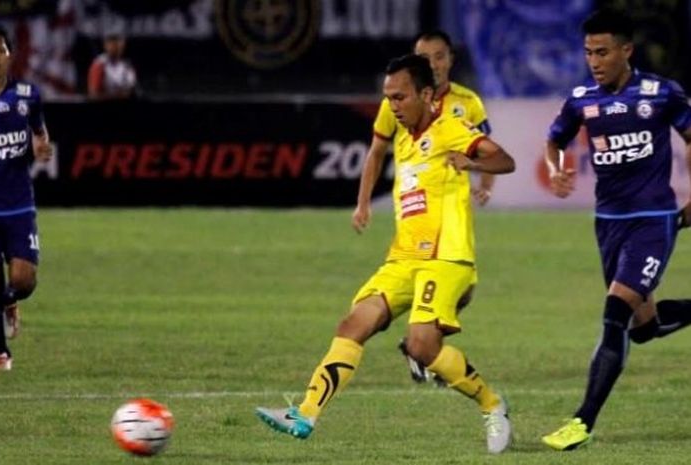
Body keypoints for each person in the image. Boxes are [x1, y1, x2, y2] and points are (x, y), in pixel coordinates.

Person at [255, 54, 516, 454]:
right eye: (388, 97)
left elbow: (504, 159)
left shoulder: (449, 128)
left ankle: (493, 405)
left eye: (400, 97)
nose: (392, 105)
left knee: (422, 346)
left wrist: (469, 161)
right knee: (352, 324)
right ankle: (305, 413)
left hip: (445, 257)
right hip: (403, 258)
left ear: (426, 94)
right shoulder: (402, 134)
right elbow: (378, 156)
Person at [541, 9, 691, 451]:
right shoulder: (582, 100)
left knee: (615, 314)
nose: (594, 60)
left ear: (627, 50)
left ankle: (582, 421)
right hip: (607, 224)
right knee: (642, 327)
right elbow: (554, 140)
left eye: (602, 51)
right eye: (588, 52)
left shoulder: (661, 93)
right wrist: (555, 170)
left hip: (653, 221)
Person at [372, 30, 495, 385]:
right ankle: (423, 346)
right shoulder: (397, 102)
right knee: (439, 282)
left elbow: (487, 149)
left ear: (451, 59)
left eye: (439, 57)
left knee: (464, 290)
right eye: (424, 58)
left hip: (453, 207)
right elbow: (377, 152)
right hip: (418, 212)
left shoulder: (467, 102)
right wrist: (364, 203)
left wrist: (484, 183)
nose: (433, 64)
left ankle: (421, 344)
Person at [0, 25, 53, 371]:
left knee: (24, 281)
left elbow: (41, 134)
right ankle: (1, 354)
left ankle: (10, 303)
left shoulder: (28, 95)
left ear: (10, 56)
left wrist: (43, 146)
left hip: (18, 205)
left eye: (0, 51)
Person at [87, 31, 137, 99]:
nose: (117, 46)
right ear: (105, 45)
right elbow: (93, 94)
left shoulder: (127, 66)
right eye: (113, 43)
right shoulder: (99, 64)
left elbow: (131, 89)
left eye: (119, 42)